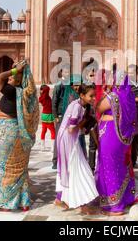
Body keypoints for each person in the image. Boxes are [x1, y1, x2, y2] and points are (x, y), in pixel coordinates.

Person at [0, 60, 39, 211]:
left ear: (19, 79)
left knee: (2, 167)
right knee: (16, 167)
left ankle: (6, 202)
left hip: (6, 133)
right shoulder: (26, 93)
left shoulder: (13, 91)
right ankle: (20, 200)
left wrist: (13, 70)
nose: (9, 78)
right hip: (16, 132)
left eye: (12, 76)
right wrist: (15, 71)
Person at [95, 71, 138, 216]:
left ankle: (115, 206)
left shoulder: (113, 96)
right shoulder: (129, 97)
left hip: (110, 136)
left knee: (109, 168)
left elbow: (98, 108)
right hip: (123, 139)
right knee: (121, 167)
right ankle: (127, 197)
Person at [54, 84, 99, 213]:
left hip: (68, 139)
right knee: (79, 169)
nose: (93, 98)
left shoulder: (81, 106)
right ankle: (82, 204)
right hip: (67, 140)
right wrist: (85, 121)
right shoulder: (77, 107)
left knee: (70, 169)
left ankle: (60, 198)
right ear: (82, 95)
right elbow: (71, 129)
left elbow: (79, 130)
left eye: (94, 95)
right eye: (91, 96)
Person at [51, 65, 71, 169]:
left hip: (67, 115)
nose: (67, 74)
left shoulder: (68, 84)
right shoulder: (59, 84)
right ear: (62, 73)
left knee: (67, 138)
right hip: (60, 115)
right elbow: (54, 101)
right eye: (66, 72)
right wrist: (55, 116)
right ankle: (55, 161)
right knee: (58, 138)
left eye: (68, 72)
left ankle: (64, 160)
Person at [39, 84, 56, 151]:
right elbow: (47, 88)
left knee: (43, 131)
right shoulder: (47, 99)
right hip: (48, 116)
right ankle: (53, 147)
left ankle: (42, 147)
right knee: (53, 131)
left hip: (44, 116)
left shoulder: (41, 98)